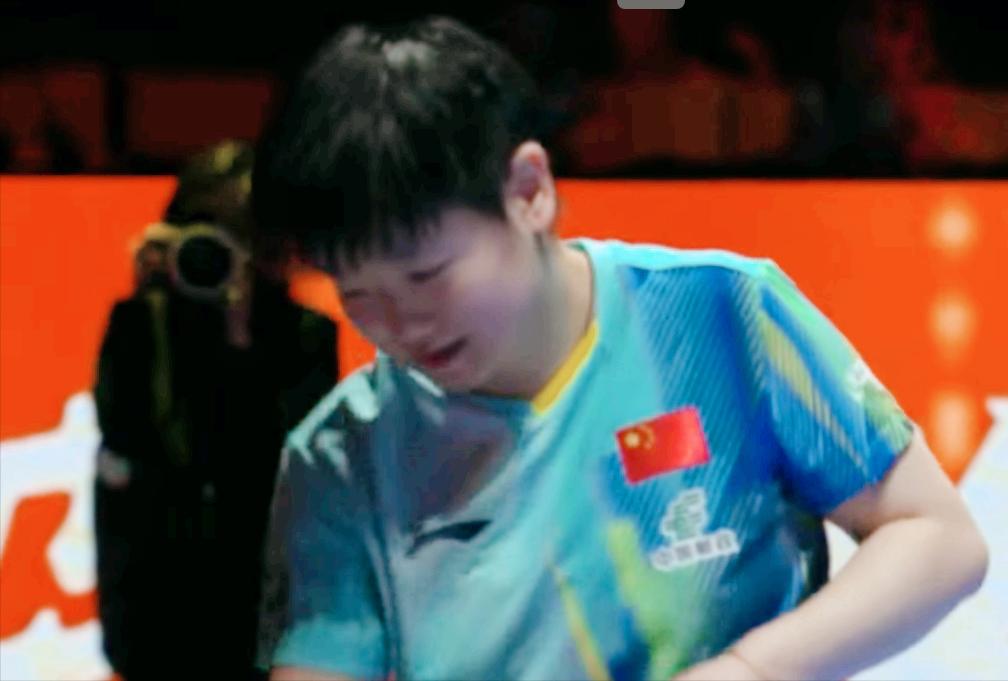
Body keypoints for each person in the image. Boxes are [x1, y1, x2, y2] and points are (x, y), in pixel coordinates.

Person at [252, 17, 988, 681]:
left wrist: (749, 669)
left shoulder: (723, 314)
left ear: (528, 190)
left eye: (427, 275)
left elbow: (936, 537)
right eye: (359, 294)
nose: (402, 325)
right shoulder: (343, 453)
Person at [93, 139, 338, 680]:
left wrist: (242, 338)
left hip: (265, 617)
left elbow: (288, 470)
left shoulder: (307, 336)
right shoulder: (141, 327)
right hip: (157, 619)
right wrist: (155, 301)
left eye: (246, 237)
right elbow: (135, 452)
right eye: (210, 236)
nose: (227, 257)